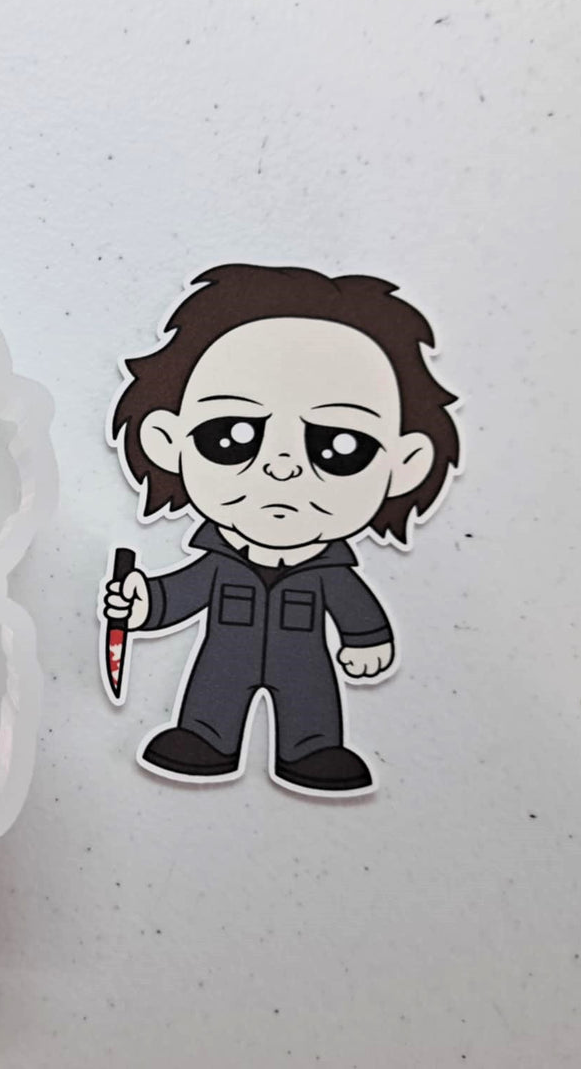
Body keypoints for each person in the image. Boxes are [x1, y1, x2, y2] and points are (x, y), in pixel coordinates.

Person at [105, 265, 461, 793]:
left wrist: (367, 639)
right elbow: (181, 593)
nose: (282, 468)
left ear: (404, 463)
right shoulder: (218, 561)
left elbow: (354, 604)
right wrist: (143, 605)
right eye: (231, 436)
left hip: (305, 659)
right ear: (166, 440)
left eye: (339, 446)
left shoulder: (330, 571)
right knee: (212, 696)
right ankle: (207, 738)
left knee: (310, 702)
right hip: (225, 656)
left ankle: (311, 748)